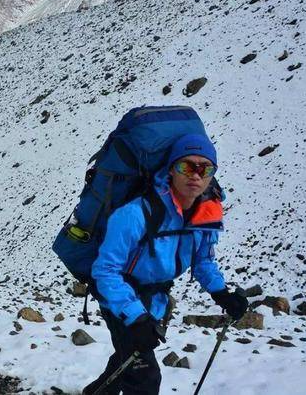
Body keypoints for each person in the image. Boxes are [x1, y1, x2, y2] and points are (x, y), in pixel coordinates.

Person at [83, 133, 248, 394]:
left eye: (204, 168)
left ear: (212, 174)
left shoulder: (205, 215)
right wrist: (135, 318)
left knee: (130, 358)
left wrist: (222, 293)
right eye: (186, 166)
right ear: (171, 169)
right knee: (145, 378)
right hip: (119, 298)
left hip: (156, 301)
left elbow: (203, 260)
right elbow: (105, 271)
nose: (195, 175)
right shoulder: (135, 214)